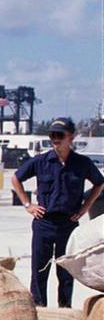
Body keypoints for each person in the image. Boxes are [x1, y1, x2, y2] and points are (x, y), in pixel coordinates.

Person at [11, 117, 104, 308]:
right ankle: (39, 309)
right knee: (39, 271)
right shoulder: (41, 161)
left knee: (66, 272)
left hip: (68, 224)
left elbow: (99, 183)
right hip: (43, 223)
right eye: (52, 135)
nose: (55, 139)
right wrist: (28, 204)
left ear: (72, 137)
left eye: (60, 135)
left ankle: (65, 310)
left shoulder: (82, 163)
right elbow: (15, 178)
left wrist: (85, 208)